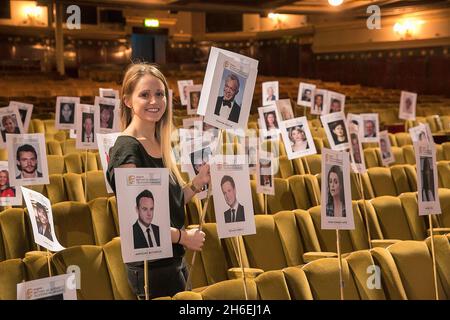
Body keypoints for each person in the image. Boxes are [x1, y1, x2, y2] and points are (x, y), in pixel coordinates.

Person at [107, 63, 208, 299]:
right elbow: (140, 218)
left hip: (171, 258)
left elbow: (168, 204)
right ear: (128, 101)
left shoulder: (157, 142)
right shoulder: (127, 150)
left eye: (160, 94)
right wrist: (183, 237)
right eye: (145, 94)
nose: (155, 101)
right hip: (150, 266)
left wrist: (195, 184)